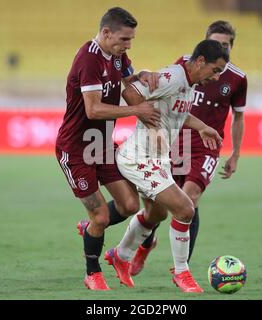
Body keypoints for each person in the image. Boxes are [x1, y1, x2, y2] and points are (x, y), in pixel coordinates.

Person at [104, 39, 228, 293]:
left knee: (157, 214)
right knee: (185, 209)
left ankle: (120, 255)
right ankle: (182, 273)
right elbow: (131, 91)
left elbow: (178, 114)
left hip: (156, 158)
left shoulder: (189, 86)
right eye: (215, 70)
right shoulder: (173, 77)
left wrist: (202, 126)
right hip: (139, 158)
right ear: (201, 61)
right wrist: (142, 114)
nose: (216, 78)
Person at [130, 21, 248, 277]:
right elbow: (164, 89)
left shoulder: (238, 79)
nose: (220, 47)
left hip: (205, 147)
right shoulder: (186, 65)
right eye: (215, 43)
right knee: (155, 202)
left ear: (231, 48)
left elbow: (238, 117)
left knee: (189, 200)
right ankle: (145, 244)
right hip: (175, 141)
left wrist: (235, 154)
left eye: (225, 45)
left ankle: (180, 267)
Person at [55, 7, 161, 291]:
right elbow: (92, 109)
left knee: (129, 205)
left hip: (101, 144)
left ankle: (90, 228)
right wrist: (136, 109)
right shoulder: (88, 59)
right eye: (124, 39)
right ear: (106, 33)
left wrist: (145, 85)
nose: (128, 45)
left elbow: (128, 86)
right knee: (101, 216)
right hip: (76, 148)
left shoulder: (117, 55)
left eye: (131, 40)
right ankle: (92, 273)